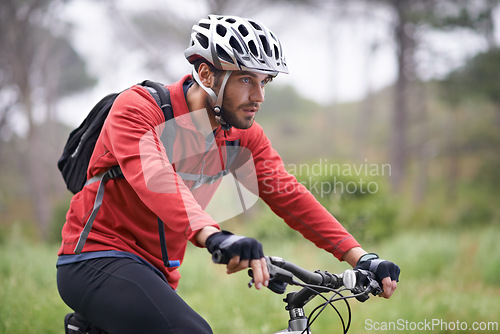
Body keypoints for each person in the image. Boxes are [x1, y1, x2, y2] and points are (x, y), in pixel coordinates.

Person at [57, 14, 400, 334]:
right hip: (96, 257)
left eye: (265, 81)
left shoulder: (241, 134)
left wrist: (360, 256)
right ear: (206, 75)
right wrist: (215, 235)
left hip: (157, 274)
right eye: (246, 79)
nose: (259, 96)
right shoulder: (140, 109)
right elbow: (156, 178)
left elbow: (289, 195)